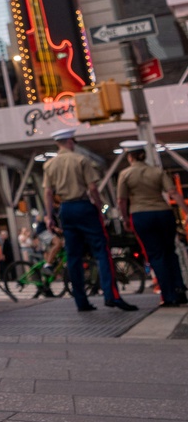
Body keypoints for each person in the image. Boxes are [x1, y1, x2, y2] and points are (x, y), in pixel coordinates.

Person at [43, 126, 136, 313]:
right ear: (70, 142)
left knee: (73, 256)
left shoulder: (49, 164)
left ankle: (81, 301)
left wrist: (49, 216)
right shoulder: (81, 160)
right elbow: (92, 188)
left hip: (66, 209)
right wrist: (100, 208)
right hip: (84, 207)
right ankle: (111, 296)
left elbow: (48, 191)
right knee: (102, 250)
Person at [117, 143, 185, 308]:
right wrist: (186, 211)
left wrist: (125, 219)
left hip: (141, 215)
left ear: (130, 156)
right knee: (170, 252)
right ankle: (179, 290)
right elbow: (173, 192)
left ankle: (168, 296)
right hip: (163, 214)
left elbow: (122, 200)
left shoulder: (125, 174)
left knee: (156, 255)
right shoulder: (157, 171)